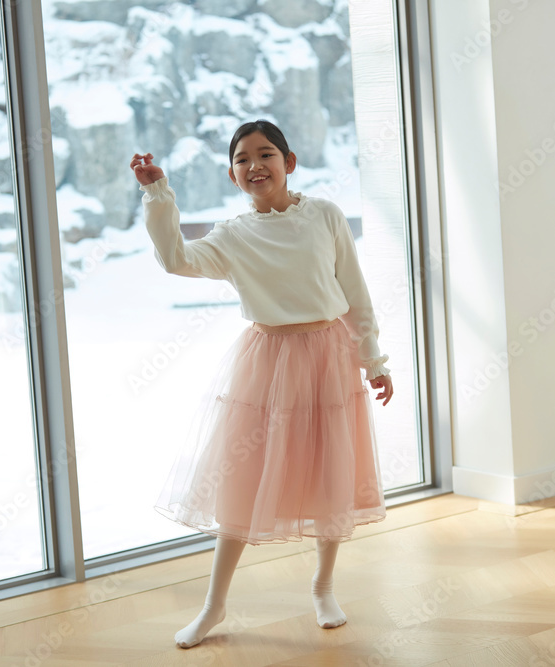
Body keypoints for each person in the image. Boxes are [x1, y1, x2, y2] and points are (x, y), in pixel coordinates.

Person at [129, 119, 394, 649]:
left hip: (327, 358)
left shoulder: (324, 215)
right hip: (267, 361)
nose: (255, 165)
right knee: (243, 480)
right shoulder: (233, 235)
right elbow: (175, 259)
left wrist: (373, 359)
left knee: (327, 474)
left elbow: (355, 292)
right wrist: (158, 194)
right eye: (243, 159)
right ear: (232, 175)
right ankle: (213, 606)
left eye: (266, 154)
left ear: (289, 162)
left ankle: (322, 587)